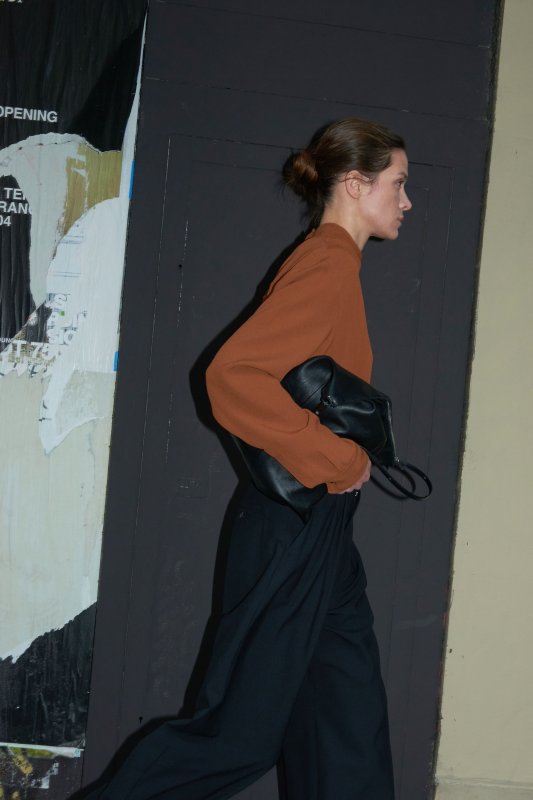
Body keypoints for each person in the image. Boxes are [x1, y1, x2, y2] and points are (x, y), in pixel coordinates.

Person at [87, 117, 412, 800]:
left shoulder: (330, 261)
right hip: (292, 526)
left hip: (317, 534)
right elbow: (232, 377)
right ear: (356, 184)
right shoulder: (327, 263)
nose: (406, 202)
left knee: (344, 724)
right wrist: (337, 460)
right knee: (236, 736)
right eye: (398, 184)